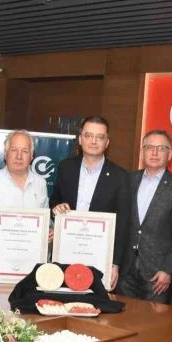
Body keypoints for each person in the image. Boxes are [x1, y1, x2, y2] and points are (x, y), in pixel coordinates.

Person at [50, 116, 129, 290]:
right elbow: (54, 200)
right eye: (88, 136)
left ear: (107, 142)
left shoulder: (120, 176)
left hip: (99, 257)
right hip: (67, 252)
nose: (93, 141)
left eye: (100, 137)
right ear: (80, 139)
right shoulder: (65, 167)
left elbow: (123, 224)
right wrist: (56, 208)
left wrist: (115, 263)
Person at [118, 130, 172, 303]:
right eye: (149, 147)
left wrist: (169, 268)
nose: (154, 152)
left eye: (161, 148)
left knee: (154, 319)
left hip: (158, 274)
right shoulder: (128, 180)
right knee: (123, 316)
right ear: (142, 151)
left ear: (170, 154)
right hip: (126, 270)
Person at [0, 129, 48, 283]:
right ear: (5, 154)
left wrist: (49, 231)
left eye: (25, 151)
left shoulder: (40, 184)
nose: (19, 156)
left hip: (31, 266)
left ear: (32, 156)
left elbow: (45, 222)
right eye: (14, 150)